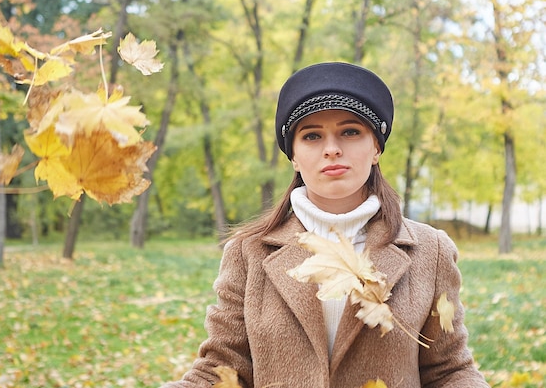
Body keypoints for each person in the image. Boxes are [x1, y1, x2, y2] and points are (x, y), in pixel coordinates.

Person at [161, 62, 489, 388]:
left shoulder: (431, 252)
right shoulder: (248, 252)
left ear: (375, 147)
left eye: (350, 132)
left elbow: (449, 370)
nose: (331, 149)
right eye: (312, 136)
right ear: (294, 156)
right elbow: (221, 370)